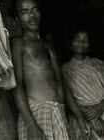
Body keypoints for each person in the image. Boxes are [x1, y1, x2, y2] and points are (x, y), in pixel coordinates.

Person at [11, 0, 89, 140]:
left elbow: (62, 82)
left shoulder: (48, 45)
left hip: (58, 112)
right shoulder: (18, 43)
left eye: (35, 10)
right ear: (18, 20)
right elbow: (16, 84)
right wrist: (31, 125)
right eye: (25, 11)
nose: (31, 15)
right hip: (37, 113)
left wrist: (78, 115)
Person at [62, 29, 104, 140]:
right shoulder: (65, 69)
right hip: (82, 115)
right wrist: (91, 117)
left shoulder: (99, 64)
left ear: (89, 45)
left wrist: (101, 106)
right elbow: (68, 98)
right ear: (71, 43)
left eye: (85, 40)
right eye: (77, 39)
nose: (81, 43)